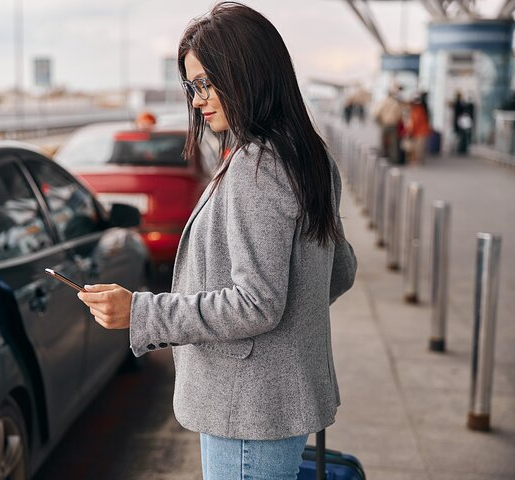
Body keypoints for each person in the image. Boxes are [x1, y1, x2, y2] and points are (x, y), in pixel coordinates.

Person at [76, 3, 357, 479]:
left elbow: (257, 304)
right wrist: (291, 329)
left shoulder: (257, 168)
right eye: (192, 86)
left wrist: (141, 312)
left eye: (207, 83)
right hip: (273, 403)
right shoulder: (306, 153)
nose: (198, 99)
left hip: (248, 409)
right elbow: (341, 269)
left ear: (248, 73)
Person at [373, 87, 403, 163]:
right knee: (394, 143)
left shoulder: (383, 102)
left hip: (384, 124)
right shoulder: (395, 103)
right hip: (393, 124)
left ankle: (383, 158)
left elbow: (376, 113)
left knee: (383, 141)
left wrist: (380, 122)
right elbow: (399, 114)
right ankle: (394, 159)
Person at [405, 93, 430, 166]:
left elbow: (415, 122)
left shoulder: (417, 110)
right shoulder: (420, 108)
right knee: (419, 146)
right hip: (421, 130)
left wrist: (410, 132)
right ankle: (419, 160)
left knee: (419, 147)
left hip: (421, 131)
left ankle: (419, 161)